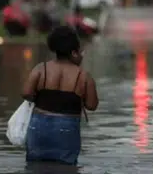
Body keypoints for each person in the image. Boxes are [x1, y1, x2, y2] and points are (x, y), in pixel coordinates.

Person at [21, 26, 99, 165]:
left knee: (35, 170)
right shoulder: (84, 77)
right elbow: (92, 105)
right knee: (66, 173)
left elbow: (26, 93)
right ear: (74, 52)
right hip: (67, 129)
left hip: (38, 126)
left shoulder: (40, 69)